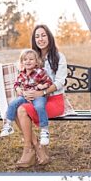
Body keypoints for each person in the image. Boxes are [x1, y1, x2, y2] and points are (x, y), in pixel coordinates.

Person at [13, 24, 68, 168]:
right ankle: (37, 147)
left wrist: (42, 92)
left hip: (53, 100)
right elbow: (21, 76)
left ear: (49, 36)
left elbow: (60, 82)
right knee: (14, 107)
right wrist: (21, 90)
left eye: (43, 35)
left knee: (21, 110)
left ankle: (28, 149)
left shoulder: (58, 57)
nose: (40, 39)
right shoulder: (31, 56)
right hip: (34, 98)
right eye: (37, 36)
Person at [0, 49, 54, 146]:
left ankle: (44, 131)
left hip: (38, 96)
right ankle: (8, 125)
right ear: (22, 62)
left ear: (36, 62)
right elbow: (16, 84)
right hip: (25, 96)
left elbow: (49, 82)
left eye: (31, 59)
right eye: (25, 59)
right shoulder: (22, 73)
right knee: (13, 103)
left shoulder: (40, 72)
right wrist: (18, 90)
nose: (28, 61)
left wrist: (43, 86)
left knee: (39, 107)